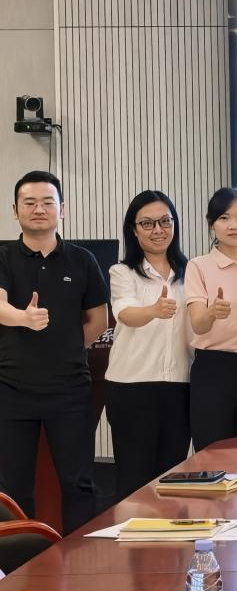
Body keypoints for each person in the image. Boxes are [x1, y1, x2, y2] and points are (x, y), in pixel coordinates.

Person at [0, 171, 108, 531]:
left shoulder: (82, 260)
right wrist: (23, 318)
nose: (39, 209)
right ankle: (20, 560)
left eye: (48, 202)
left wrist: (67, 347)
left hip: (70, 390)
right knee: (13, 489)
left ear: (62, 209)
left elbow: (98, 320)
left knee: (78, 484)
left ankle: (79, 556)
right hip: (12, 389)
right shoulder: (3, 257)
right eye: (29, 202)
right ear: (15, 210)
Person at [105, 190, 193, 498]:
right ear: (134, 229)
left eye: (165, 221)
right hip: (132, 388)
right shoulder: (122, 272)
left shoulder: (191, 272)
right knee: (134, 482)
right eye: (147, 223)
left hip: (180, 386)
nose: (158, 230)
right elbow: (125, 314)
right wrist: (153, 311)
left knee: (172, 481)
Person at [184, 188, 237, 450]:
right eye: (224, 218)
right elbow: (198, 324)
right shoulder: (198, 265)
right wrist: (212, 312)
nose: (234, 225)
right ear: (211, 224)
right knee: (212, 452)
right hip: (213, 368)